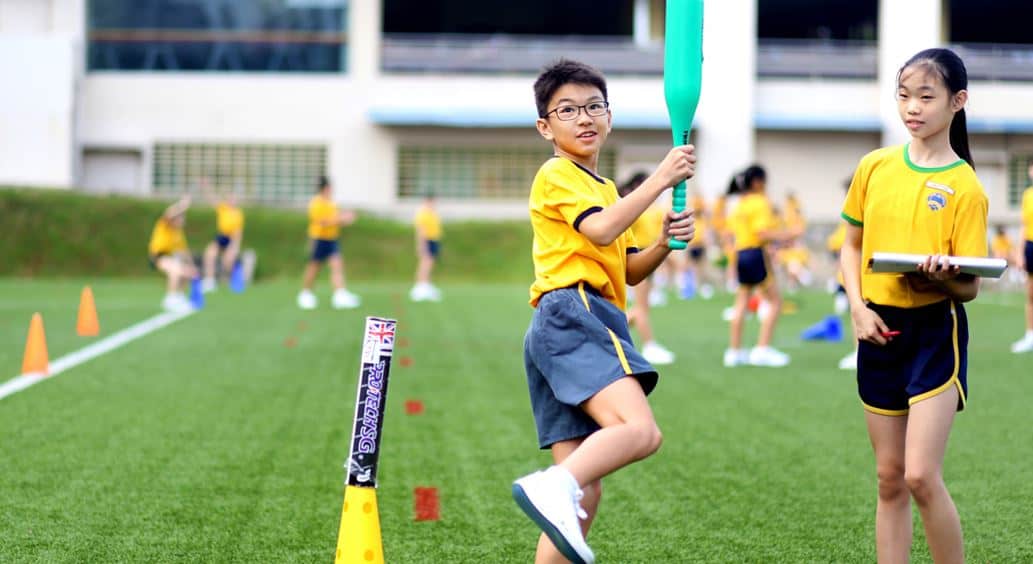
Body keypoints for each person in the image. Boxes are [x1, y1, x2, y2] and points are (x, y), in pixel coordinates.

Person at [511, 59, 696, 564]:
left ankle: (559, 488)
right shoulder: (557, 173)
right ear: (545, 127)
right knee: (640, 432)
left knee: (582, 501)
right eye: (567, 110)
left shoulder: (607, 190)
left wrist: (662, 243)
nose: (584, 117)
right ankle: (554, 484)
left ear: (609, 116)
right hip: (574, 312)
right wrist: (660, 178)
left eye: (594, 106)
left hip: (569, 321)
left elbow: (629, 268)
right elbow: (599, 232)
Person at [840, 48, 987, 563]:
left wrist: (945, 278)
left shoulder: (964, 185)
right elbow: (851, 245)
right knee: (888, 479)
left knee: (920, 475)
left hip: (932, 332)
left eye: (926, 96)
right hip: (877, 327)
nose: (913, 108)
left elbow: (970, 287)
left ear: (957, 102)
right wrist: (857, 308)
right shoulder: (875, 165)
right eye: (904, 96)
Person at [723, 166, 801, 367]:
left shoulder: (740, 204)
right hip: (755, 254)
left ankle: (734, 351)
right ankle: (762, 349)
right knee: (775, 301)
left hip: (741, 254)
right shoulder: (759, 202)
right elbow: (762, 233)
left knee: (741, 303)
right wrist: (789, 235)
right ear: (757, 182)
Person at [619, 171, 676, 365]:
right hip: (638, 256)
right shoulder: (634, 209)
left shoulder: (648, 209)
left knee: (642, 308)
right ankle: (649, 345)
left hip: (648, 255)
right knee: (641, 307)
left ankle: (608, 336)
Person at [296, 176, 361, 310]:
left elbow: (335, 219)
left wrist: (345, 219)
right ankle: (305, 293)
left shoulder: (331, 203)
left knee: (337, 265)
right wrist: (341, 218)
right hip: (319, 238)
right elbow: (322, 222)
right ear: (325, 188)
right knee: (314, 267)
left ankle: (339, 294)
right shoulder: (316, 203)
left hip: (332, 239)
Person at [148, 195, 198, 313]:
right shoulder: (164, 225)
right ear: (176, 220)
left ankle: (179, 297)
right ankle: (170, 299)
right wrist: (183, 204)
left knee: (187, 272)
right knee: (175, 269)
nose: (183, 221)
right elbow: (168, 213)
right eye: (181, 218)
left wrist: (192, 266)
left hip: (169, 257)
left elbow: (185, 252)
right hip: (158, 255)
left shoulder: (179, 234)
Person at [201, 184, 244, 293]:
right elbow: (212, 199)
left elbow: (238, 233)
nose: (232, 200)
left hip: (231, 239)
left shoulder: (238, 214)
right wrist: (206, 187)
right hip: (221, 237)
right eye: (230, 198)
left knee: (228, 260)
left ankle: (231, 280)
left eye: (234, 199)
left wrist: (235, 247)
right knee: (209, 254)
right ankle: (209, 281)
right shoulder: (223, 208)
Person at [1012, 164, 1033, 353]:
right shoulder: (1027, 195)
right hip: (1030, 246)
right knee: (1031, 294)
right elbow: (1024, 225)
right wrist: (1019, 252)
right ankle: (1030, 335)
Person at [410, 193, 443, 302]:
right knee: (425, 263)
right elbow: (421, 231)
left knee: (430, 263)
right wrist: (421, 245)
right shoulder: (422, 214)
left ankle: (426, 285)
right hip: (427, 240)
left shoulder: (432, 213)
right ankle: (419, 287)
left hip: (434, 240)